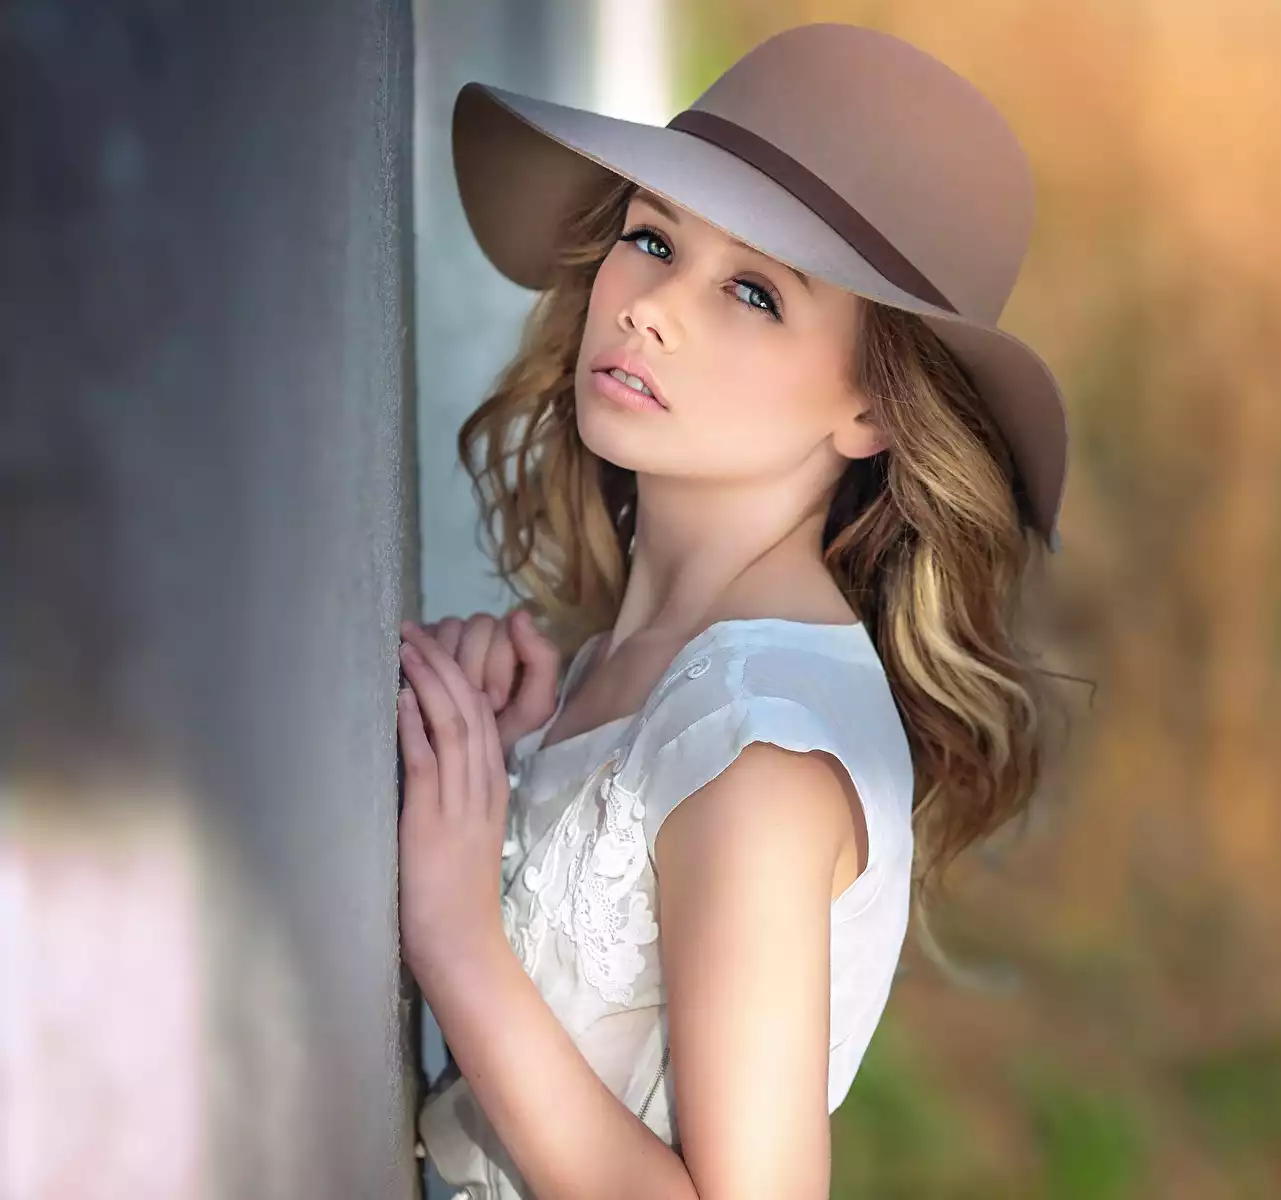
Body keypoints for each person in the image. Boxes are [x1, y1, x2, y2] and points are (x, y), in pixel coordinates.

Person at [394, 23, 1073, 1199]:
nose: (651, 306)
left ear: (872, 410)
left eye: (754, 293)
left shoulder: (761, 758)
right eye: (651, 235)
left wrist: (456, 938)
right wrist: (502, 766)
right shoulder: (635, 665)